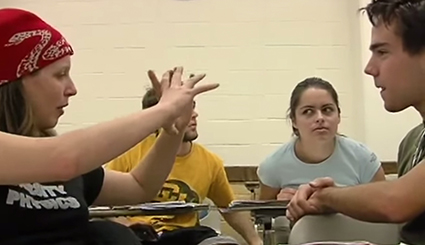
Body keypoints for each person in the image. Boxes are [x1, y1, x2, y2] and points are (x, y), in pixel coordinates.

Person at [0, 8, 219, 245]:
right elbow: (63, 159)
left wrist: (172, 130)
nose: (72, 88)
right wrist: (162, 110)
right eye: (60, 74)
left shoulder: (63, 161)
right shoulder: (58, 158)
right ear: (16, 82)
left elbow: (139, 186)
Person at [286, 1, 425, 244]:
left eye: (382, 52)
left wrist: (327, 196)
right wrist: (339, 200)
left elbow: (395, 202)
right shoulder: (412, 143)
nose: (370, 68)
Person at [105, 87, 263, 245]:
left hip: (187, 235)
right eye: (183, 110)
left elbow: (230, 209)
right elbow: (102, 205)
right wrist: (126, 225)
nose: (194, 114)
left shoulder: (210, 161)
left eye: (192, 107)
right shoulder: (129, 153)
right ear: (159, 117)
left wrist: (255, 241)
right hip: (141, 235)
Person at [257, 77, 385, 203]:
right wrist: (279, 207)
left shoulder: (363, 158)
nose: (320, 118)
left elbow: (384, 208)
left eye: (327, 110)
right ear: (294, 121)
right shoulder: (273, 165)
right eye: (308, 111)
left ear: (338, 116)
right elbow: (262, 216)